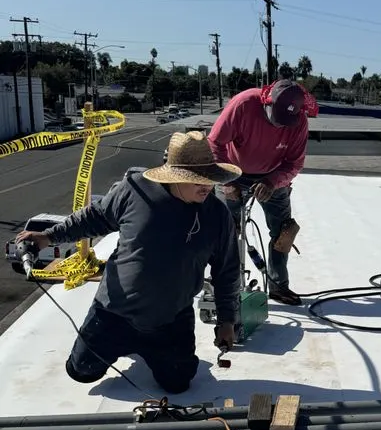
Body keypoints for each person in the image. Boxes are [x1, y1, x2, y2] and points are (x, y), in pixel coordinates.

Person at [15, 131, 242, 394]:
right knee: (80, 373)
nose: (207, 186)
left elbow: (227, 271)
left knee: (178, 384)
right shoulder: (135, 191)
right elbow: (93, 218)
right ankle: (124, 346)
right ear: (175, 177)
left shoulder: (217, 215)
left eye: (210, 179)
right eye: (197, 180)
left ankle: (154, 352)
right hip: (113, 313)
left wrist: (227, 319)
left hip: (170, 319)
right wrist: (48, 237)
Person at [208, 78, 317, 306]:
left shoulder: (299, 122)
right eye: (276, 119)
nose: (279, 126)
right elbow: (215, 143)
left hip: (272, 176)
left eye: (284, 122)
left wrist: (272, 182)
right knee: (225, 231)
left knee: (283, 232)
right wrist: (227, 181)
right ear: (266, 101)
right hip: (233, 172)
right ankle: (225, 285)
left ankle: (278, 287)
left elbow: (294, 164)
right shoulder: (243, 104)